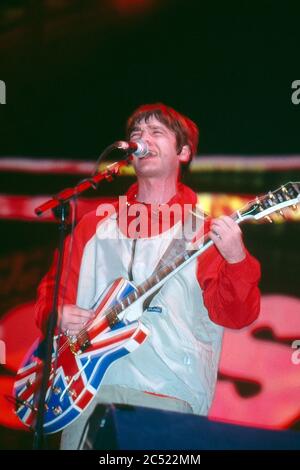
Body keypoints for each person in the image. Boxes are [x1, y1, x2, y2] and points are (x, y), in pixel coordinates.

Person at [35, 103, 261, 449]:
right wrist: (57, 313)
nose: (143, 139)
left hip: (166, 397)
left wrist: (236, 259)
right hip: (83, 395)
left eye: (157, 133)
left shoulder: (202, 232)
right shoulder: (95, 224)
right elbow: (54, 290)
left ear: (183, 152)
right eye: (136, 134)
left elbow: (236, 314)